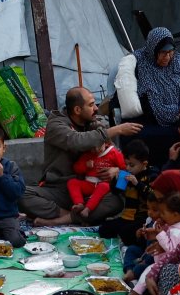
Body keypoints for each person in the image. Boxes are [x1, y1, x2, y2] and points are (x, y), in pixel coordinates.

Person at [21, 86, 142, 226]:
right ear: (77, 110)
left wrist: (116, 171)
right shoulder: (56, 125)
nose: (96, 108)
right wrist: (116, 130)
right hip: (60, 189)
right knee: (22, 195)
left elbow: (113, 154)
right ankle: (69, 216)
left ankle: (66, 218)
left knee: (117, 201)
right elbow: (77, 141)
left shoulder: (92, 124)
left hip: (90, 188)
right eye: (91, 105)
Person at [132, 28, 180, 167]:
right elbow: (156, 106)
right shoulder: (144, 64)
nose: (168, 57)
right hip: (157, 120)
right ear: (153, 50)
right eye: (163, 53)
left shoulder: (179, 61)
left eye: (170, 52)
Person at [132, 192, 180, 295]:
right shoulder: (174, 225)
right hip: (160, 262)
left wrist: (160, 233)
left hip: (169, 267)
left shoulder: (178, 231)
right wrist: (153, 232)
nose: (160, 216)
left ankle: (136, 293)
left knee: (147, 271)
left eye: (163, 213)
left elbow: (171, 249)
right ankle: (137, 290)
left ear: (175, 214)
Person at [68, 140, 125, 216]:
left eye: (98, 147)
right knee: (72, 182)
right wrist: (85, 165)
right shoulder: (87, 154)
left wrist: (117, 172)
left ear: (106, 143)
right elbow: (76, 168)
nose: (95, 150)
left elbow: (124, 168)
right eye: (92, 148)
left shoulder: (114, 153)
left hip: (104, 185)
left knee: (104, 186)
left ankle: (87, 209)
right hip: (89, 184)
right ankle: (79, 203)